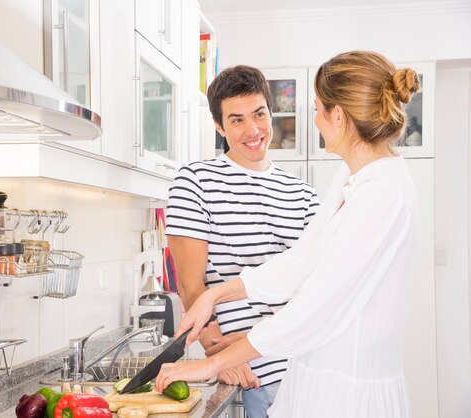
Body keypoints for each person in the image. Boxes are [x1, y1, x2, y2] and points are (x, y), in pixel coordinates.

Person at [156, 50, 421, 418]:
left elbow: (316, 307)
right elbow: (301, 262)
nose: (314, 120)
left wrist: (212, 365)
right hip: (310, 375)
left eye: (317, 108)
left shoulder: (382, 195)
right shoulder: (350, 182)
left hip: (348, 392)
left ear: (338, 115)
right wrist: (217, 294)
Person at [165, 65, 319, 417]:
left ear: (270, 112)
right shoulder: (194, 181)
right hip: (256, 374)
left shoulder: (304, 194)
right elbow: (190, 283)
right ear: (219, 126)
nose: (253, 130)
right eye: (236, 120)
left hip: (306, 363)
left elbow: (316, 283)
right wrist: (215, 352)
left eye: (259, 114)